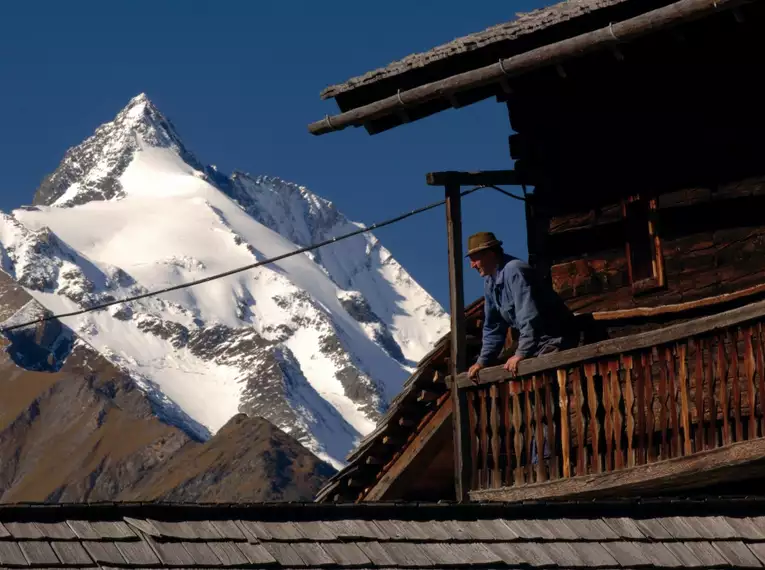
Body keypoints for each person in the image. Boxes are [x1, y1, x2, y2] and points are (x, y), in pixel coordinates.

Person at [466, 231, 578, 381]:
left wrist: (521, 353)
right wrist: (482, 361)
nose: (472, 265)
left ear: (490, 254)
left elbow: (528, 315)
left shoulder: (515, 271)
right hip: (537, 345)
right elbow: (493, 326)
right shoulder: (490, 282)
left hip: (555, 340)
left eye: (475, 259)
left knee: (545, 383)